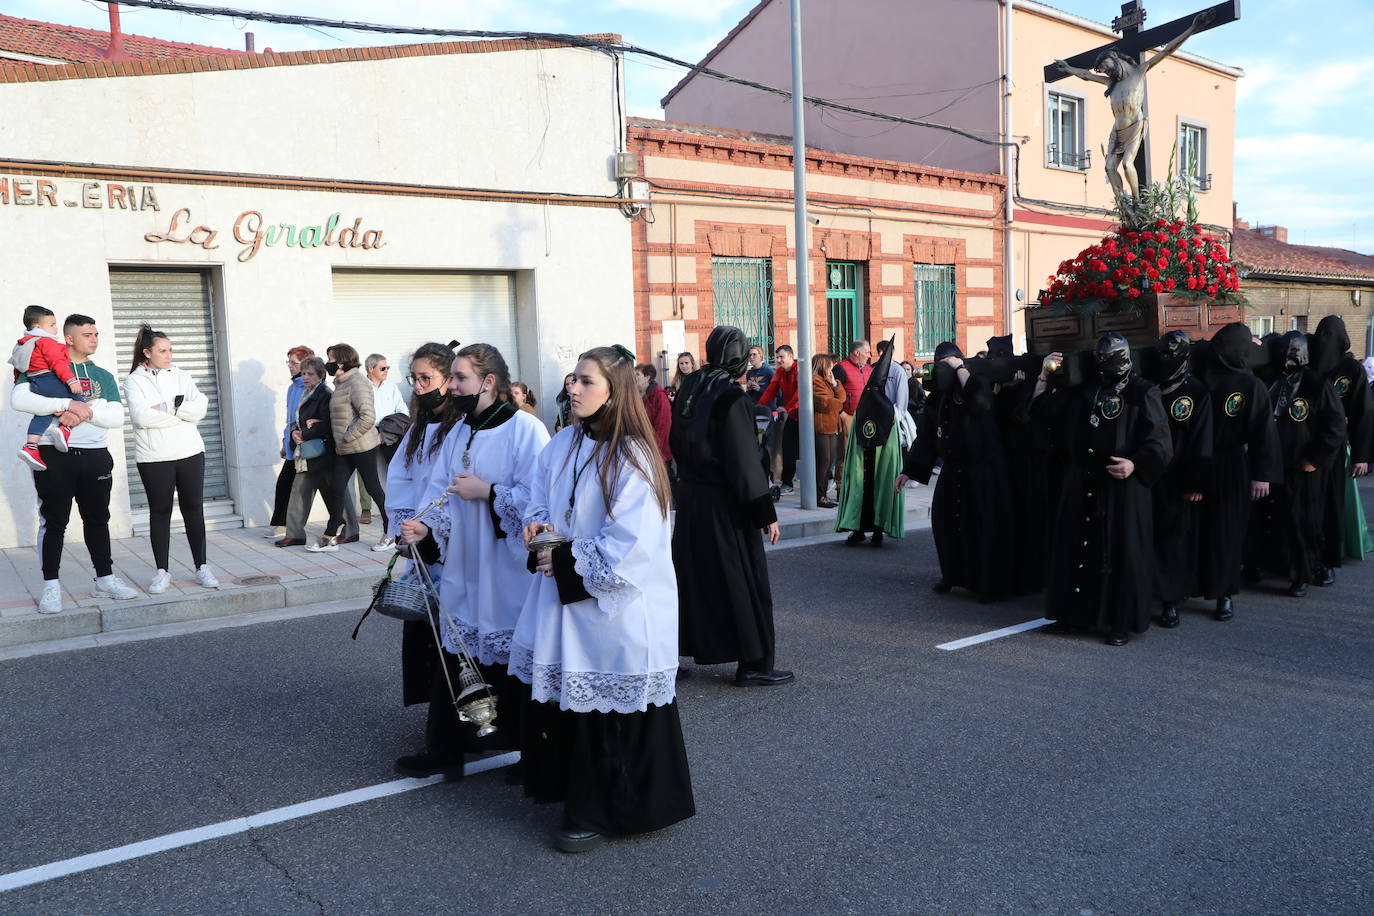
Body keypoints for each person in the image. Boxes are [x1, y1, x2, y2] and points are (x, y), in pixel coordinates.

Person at [516, 345, 693, 853]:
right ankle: (576, 796)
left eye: (586, 382)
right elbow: (537, 494)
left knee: (611, 712)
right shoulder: (564, 443)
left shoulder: (631, 453)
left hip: (615, 607)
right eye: (573, 379)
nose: (573, 388)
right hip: (565, 597)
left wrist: (569, 559)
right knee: (574, 707)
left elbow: (635, 540)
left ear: (614, 391)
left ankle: (612, 808)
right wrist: (537, 526)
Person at [396, 343, 550, 777]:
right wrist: (423, 527)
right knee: (457, 655)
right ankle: (448, 749)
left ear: (488, 382)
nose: (453, 386)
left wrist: (489, 492)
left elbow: (541, 501)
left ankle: (526, 753)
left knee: (513, 660)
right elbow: (440, 491)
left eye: (461, 378)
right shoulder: (459, 430)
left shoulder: (525, 430)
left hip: (505, 565)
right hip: (465, 563)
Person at [1032, 333, 1173, 646]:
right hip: (1082, 482)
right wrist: (1045, 375)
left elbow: (1160, 443)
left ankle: (1118, 622)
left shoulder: (1143, 391)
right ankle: (1073, 616)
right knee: (1077, 548)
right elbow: (1045, 414)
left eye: (1106, 358)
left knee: (1119, 553)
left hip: (1122, 488)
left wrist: (1135, 464)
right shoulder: (1086, 390)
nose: (1100, 364)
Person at [671, 326, 791, 687]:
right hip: (724, 504)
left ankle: (673, 653)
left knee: (692, 578)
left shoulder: (690, 386)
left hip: (691, 498)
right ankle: (753, 663)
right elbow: (742, 461)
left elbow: (675, 441)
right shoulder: (730, 396)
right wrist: (764, 514)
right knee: (742, 579)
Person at [10, 313, 137, 613]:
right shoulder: (46, 366)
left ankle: (104, 579)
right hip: (54, 454)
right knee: (54, 522)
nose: (95, 339)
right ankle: (51, 586)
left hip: (95, 456)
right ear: (69, 338)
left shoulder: (103, 375)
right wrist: (68, 404)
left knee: (97, 519)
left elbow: (117, 417)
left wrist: (86, 413)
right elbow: (20, 400)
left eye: (96, 334)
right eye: (88, 334)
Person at [1053, 10, 1214, 198]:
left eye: (1105, 66)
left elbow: (1167, 50)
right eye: (1103, 71)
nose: (1105, 72)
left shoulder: (1139, 72)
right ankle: (1123, 203)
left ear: (1115, 58)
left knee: (1127, 164)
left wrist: (1192, 28)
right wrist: (1069, 68)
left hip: (1135, 125)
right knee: (1109, 167)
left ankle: (1137, 201)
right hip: (1117, 129)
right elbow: (1087, 76)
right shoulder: (1111, 83)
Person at [381, 343, 460, 725]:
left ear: (449, 379)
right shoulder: (418, 426)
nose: (419, 386)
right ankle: (440, 718)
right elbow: (401, 477)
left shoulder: (460, 426)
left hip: (451, 543)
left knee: (454, 636)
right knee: (425, 634)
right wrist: (401, 528)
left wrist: (432, 530)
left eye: (426, 378)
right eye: (414, 378)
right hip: (420, 540)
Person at [900, 341, 1012, 598]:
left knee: (981, 526)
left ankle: (984, 583)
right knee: (945, 523)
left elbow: (981, 403)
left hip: (982, 471)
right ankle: (951, 575)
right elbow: (927, 435)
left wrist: (960, 368)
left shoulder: (976, 381)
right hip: (954, 468)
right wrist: (910, 470)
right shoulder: (940, 396)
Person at [1245, 331, 1346, 597]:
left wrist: (1314, 458)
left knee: (1301, 522)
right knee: (1272, 519)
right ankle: (1269, 565)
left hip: (1302, 468)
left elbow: (1335, 426)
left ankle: (1302, 573)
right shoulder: (1269, 381)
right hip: (1273, 465)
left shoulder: (1316, 383)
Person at [125, 324, 220, 593]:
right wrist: (181, 412)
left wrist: (168, 408)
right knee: (160, 512)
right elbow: (142, 418)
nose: (169, 355)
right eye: (163, 351)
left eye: (170, 350)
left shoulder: (181, 375)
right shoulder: (134, 380)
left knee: (194, 509)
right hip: (154, 457)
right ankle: (162, 572)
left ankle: (202, 566)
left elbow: (200, 406)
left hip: (190, 452)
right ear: (147, 353)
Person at [1198, 323, 1280, 621]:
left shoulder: (1251, 385)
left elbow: (1264, 434)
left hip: (1233, 465)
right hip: (1201, 462)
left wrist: (1262, 474)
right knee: (1199, 528)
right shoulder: (1203, 375)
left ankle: (1225, 594)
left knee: (1227, 531)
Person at [1150, 331, 1214, 628]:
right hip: (1150, 475)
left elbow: (1202, 440)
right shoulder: (1151, 387)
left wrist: (1196, 482)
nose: (1165, 358)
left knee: (1174, 540)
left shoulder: (1197, 392)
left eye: (1171, 353)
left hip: (1179, 476)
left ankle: (1170, 601)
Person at [987, 335, 1053, 594]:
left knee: (1031, 519)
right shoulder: (995, 388)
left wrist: (1023, 386)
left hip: (1028, 462)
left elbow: (1023, 416)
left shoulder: (1024, 384)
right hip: (1005, 463)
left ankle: (1033, 574)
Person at [1309, 316, 1373, 570]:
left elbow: (1363, 414)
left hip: (1338, 448)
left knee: (1335, 501)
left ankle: (1332, 551)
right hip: (1310, 445)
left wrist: (1361, 455)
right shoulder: (1310, 366)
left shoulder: (1352, 369)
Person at [319, 344, 391, 553]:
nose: (329, 363)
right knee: (337, 488)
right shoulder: (341, 383)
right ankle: (330, 536)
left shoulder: (357, 381)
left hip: (362, 446)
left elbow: (368, 416)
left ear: (341, 362)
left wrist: (347, 436)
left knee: (374, 489)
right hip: (345, 448)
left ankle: (390, 532)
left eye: (331, 359)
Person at [837, 338, 906, 547]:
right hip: (867, 459)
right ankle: (866, 530)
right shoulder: (877, 408)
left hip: (872, 459)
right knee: (871, 490)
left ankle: (871, 530)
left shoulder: (879, 408)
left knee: (871, 491)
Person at [12, 305, 86, 470]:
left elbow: (18, 367)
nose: (56, 328)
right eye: (52, 325)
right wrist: (71, 380)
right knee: (80, 403)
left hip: (36, 383)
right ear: (38, 327)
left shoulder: (22, 344)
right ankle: (64, 429)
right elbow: (58, 363)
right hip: (50, 378)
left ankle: (31, 446)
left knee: (42, 413)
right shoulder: (46, 342)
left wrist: (17, 381)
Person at [290, 357, 349, 551]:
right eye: (304, 373)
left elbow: (326, 424)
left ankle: (339, 528)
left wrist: (305, 433)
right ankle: (339, 526)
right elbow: (299, 421)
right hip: (310, 451)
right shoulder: (307, 393)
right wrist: (295, 433)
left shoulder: (324, 394)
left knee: (333, 491)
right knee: (327, 490)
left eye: (310, 374)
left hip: (322, 451)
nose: (305, 377)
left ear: (320, 376)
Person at [267, 346, 314, 541]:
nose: (290, 366)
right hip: (292, 447)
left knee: (322, 488)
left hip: (306, 446)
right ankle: (282, 524)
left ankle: (341, 523)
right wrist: (285, 445)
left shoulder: (308, 388)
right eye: (289, 362)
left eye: (293, 363)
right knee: (285, 484)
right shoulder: (292, 388)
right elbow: (289, 421)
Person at [359, 352, 408, 526]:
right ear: (370, 369)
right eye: (383, 368)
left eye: (387, 367)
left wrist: (388, 430)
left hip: (388, 430)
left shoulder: (391, 387)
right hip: (367, 430)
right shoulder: (361, 387)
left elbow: (403, 410)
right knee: (365, 469)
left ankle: (400, 501)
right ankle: (366, 508)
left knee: (397, 464)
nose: (386, 370)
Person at [757, 344, 801, 493]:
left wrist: (787, 407)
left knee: (812, 450)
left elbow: (800, 392)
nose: (779, 360)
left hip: (805, 415)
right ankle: (787, 483)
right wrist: (758, 407)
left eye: (781, 357)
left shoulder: (799, 369)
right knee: (787, 449)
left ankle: (825, 479)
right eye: (777, 357)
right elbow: (771, 390)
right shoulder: (780, 372)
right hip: (792, 415)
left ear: (790, 356)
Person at [834, 340, 873, 485]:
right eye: (867, 352)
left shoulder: (869, 368)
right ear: (857, 353)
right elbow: (832, 392)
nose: (870, 355)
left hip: (867, 417)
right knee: (845, 453)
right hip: (848, 416)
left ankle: (861, 484)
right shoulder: (841, 369)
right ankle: (841, 487)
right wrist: (841, 413)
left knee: (864, 453)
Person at [811, 353, 845, 507]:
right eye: (830, 365)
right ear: (823, 365)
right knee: (823, 462)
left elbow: (842, 397)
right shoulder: (815, 380)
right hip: (822, 426)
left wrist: (834, 384)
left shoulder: (829, 381)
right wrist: (839, 403)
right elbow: (826, 404)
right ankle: (819, 496)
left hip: (832, 425)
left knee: (829, 461)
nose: (832, 367)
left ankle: (823, 494)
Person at [635, 363, 674, 473]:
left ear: (647, 378)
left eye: (637, 375)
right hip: (642, 452)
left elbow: (662, 428)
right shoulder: (638, 396)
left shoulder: (659, 396)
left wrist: (652, 451)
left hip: (659, 455)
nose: (634, 378)